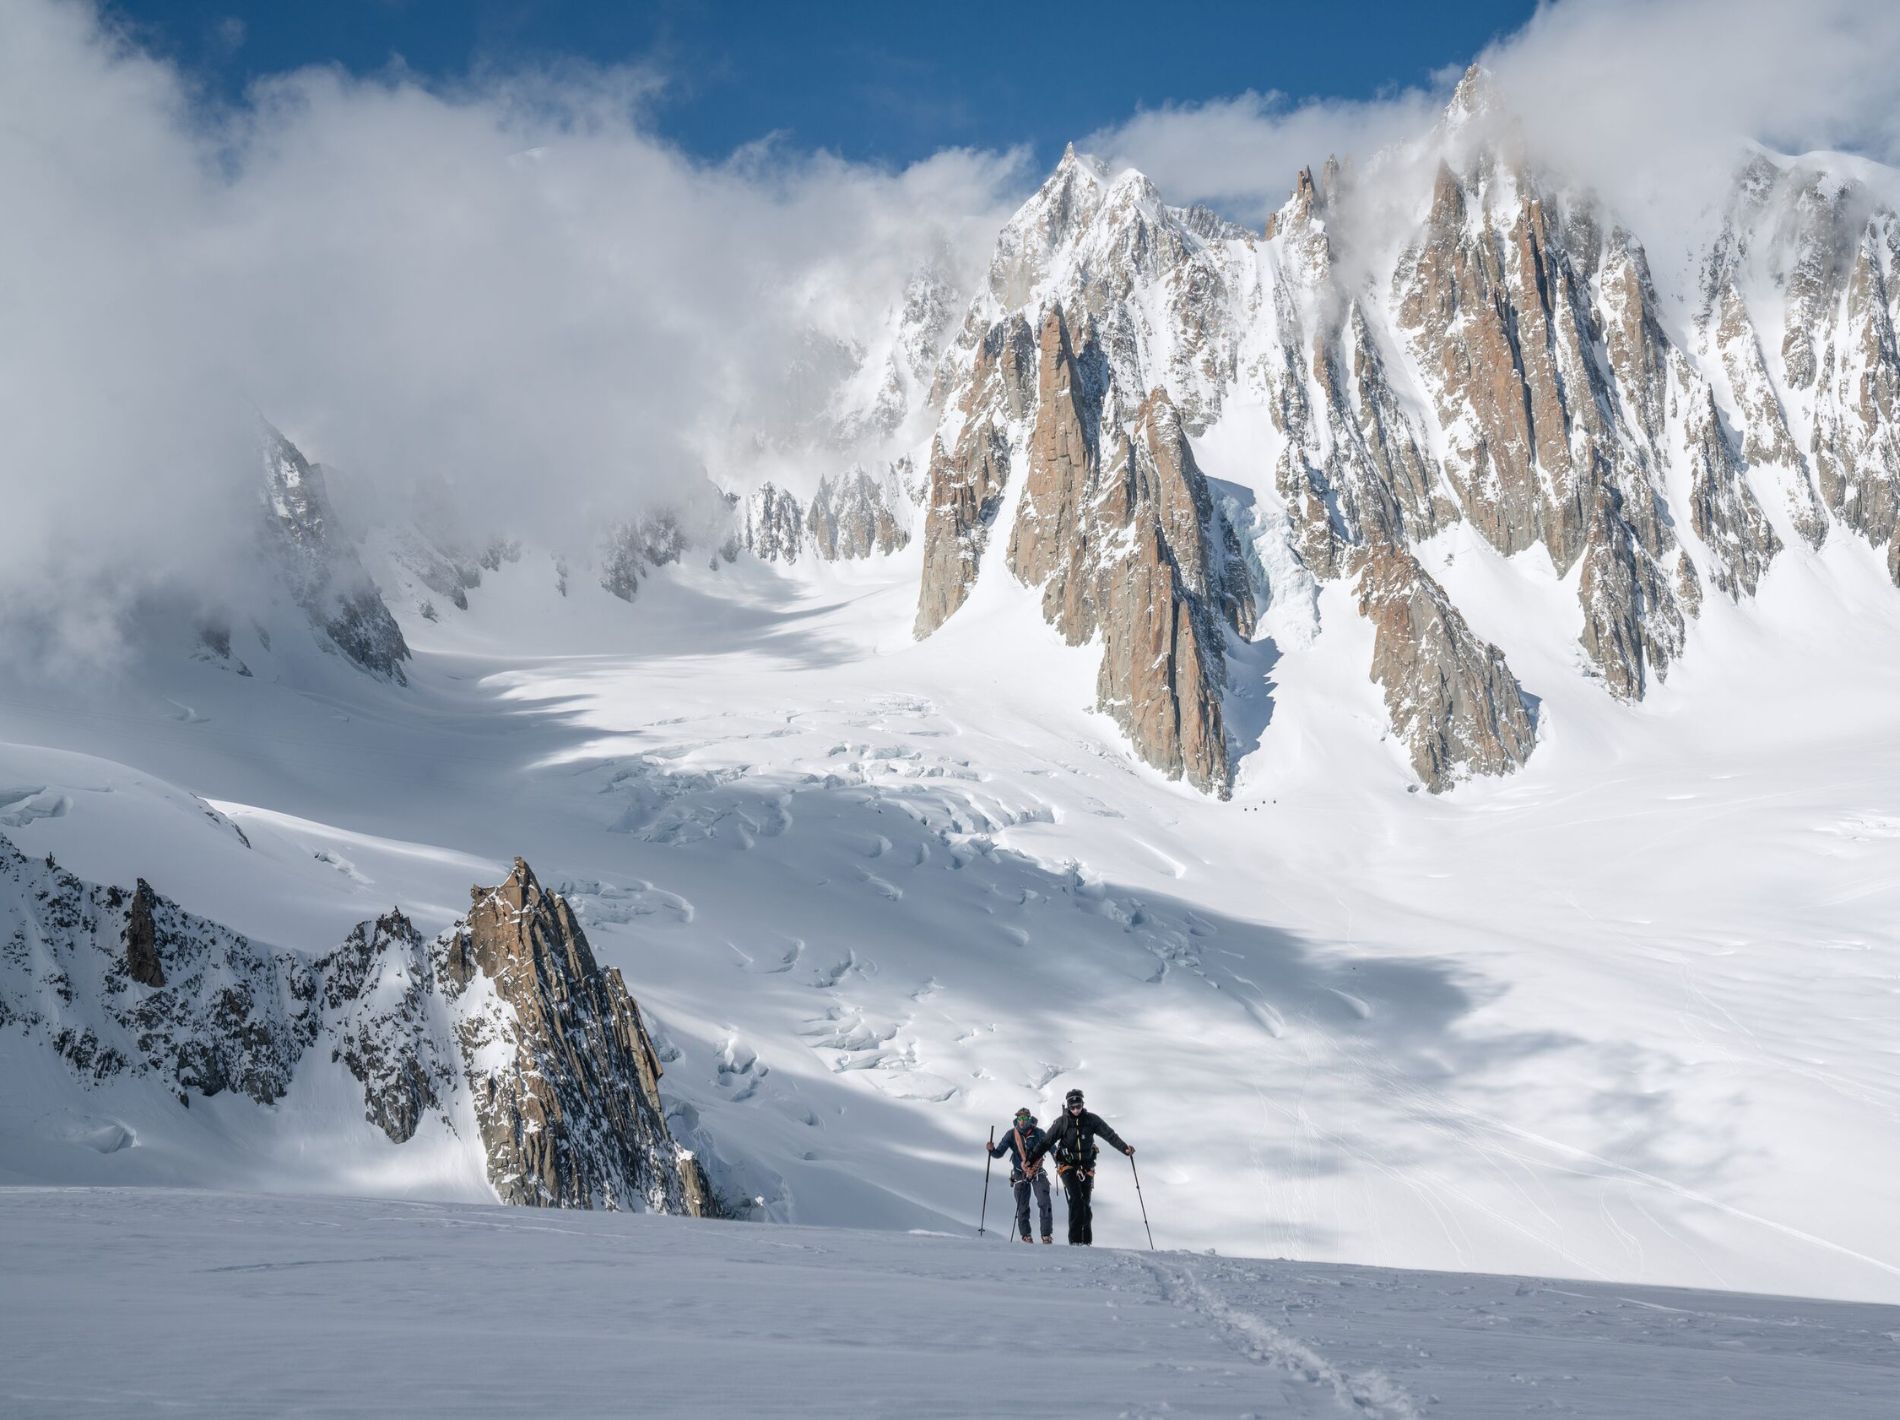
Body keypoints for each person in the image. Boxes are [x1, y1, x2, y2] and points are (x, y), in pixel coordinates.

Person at [1025, 1087, 1132, 1246]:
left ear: (1082, 1104)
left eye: (1078, 1106)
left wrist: (1124, 1148)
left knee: (1086, 1203)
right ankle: (1075, 1242)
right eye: (1072, 1107)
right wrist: (1031, 1159)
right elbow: (1046, 1142)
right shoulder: (1062, 1122)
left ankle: (1086, 1242)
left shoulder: (1091, 1120)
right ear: (1068, 1106)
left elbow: (1109, 1135)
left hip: (1087, 1167)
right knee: (1076, 1199)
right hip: (1067, 1166)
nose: (1076, 1109)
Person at [984, 1106, 1053, 1243]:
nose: (1022, 1121)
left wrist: (1060, 1159)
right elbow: (999, 1153)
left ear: (1029, 1119)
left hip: (1037, 1171)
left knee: (1044, 1202)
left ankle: (1046, 1235)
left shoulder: (1039, 1133)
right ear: (1017, 1119)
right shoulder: (1011, 1134)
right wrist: (991, 1150)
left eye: (1025, 1118)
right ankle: (1025, 1235)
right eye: (1020, 1118)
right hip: (1019, 1173)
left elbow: (1052, 1147)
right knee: (1022, 1206)